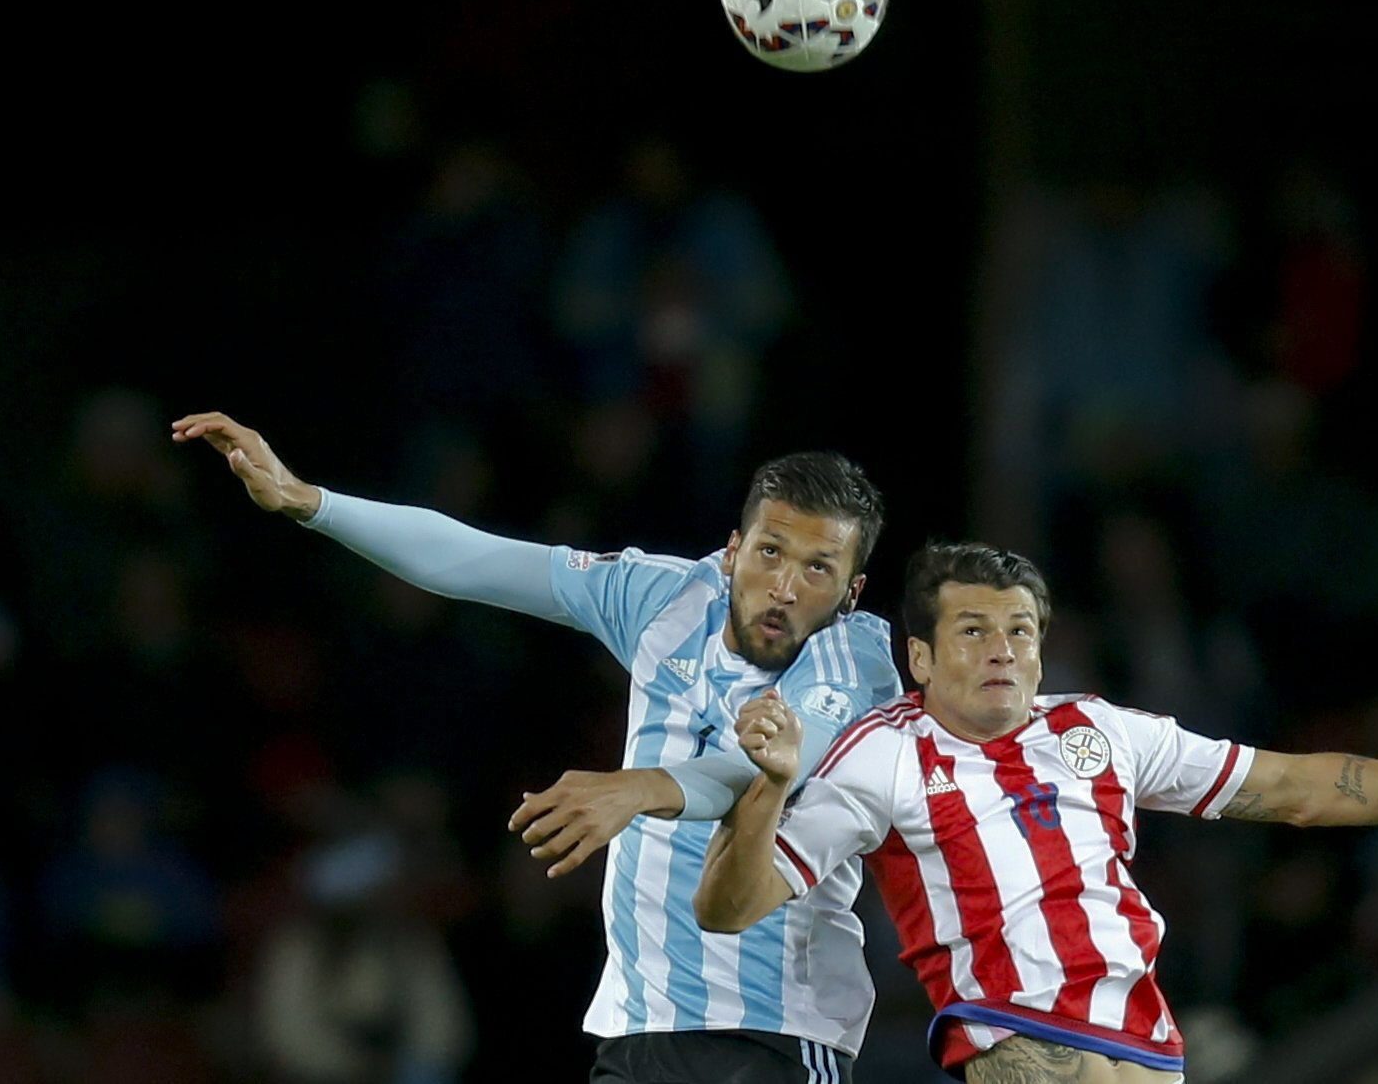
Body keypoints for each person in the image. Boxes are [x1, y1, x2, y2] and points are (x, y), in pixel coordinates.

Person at [173, 412, 900, 1083]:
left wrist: (638, 787)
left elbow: (762, 771)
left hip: (769, 1027)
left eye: (816, 568)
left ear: (850, 591)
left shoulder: (852, 661)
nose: (782, 586)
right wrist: (312, 503)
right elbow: (476, 561)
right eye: (770, 551)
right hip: (639, 1022)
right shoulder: (665, 598)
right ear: (733, 549)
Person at [694, 542, 1378, 1083]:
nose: (1002, 650)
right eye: (972, 631)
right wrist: (769, 789)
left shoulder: (1099, 730)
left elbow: (1298, 789)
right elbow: (728, 909)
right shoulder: (882, 754)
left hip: (1151, 1049)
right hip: (1023, 1045)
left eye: (1020, 631)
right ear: (919, 656)